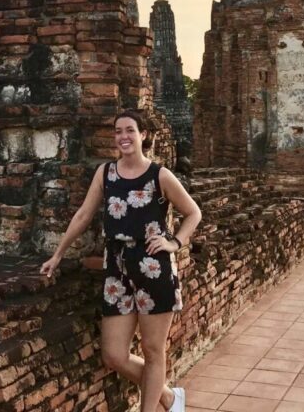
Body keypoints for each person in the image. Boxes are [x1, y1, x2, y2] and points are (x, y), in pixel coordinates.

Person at [41, 110, 202, 412]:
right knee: (114, 355)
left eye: (130, 130)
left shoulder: (160, 175)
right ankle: (169, 398)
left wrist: (174, 243)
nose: (123, 137)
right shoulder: (106, 173)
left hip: (154, 268)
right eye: (118, 131)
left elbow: (193, 212)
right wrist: (58, 254)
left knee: (153, 350)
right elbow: (83, 215)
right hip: (117, 268)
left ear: (143, 135)